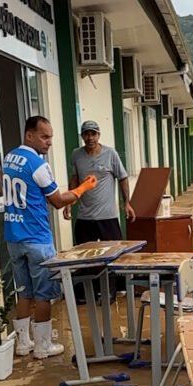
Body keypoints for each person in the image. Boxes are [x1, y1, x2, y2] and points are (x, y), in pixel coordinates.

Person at [5, 116, 98, 358]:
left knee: (24, 291)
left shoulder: (9, 158)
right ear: (29, 135)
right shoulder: (37, 164)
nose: (49, 142)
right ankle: (43, 346)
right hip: (36, 237)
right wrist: (83, 188)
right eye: (44, 137)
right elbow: (57, 201)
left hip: (13, 237)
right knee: (44, 293)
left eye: (50, 137)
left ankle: (23, 343)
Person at [64, 120, 134, 303]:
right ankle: (88, 293)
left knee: (112, 255)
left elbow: (123, 178)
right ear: (82, 136)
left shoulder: (110, 154)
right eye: (86, 134)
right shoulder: (76, 155)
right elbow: (75, 179)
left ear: (99, 135)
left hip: (107, 216)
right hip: (85, 216)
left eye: (93, 134)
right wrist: (69, 203)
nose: (90, 138)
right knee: (85, 256)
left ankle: (110, 291)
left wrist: (126, 203)